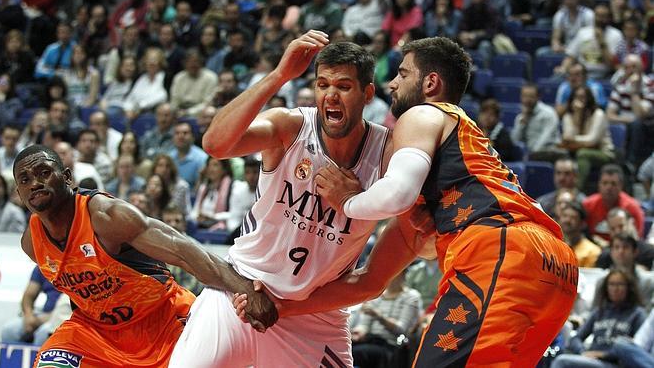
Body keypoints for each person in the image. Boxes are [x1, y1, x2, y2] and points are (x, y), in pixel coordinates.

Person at [247, 36, 578, 366]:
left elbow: (397, 192)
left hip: (503, 252)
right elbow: (381, 273)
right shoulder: (460, 145)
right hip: (555, 266)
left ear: (430, 82)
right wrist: (286, 306)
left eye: (403, 74)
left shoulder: (424, 114)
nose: (392, 83)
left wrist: (347, 199)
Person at [169, 32, 392, 367]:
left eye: (343, 86)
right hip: (240, 288)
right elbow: (216, 144)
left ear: (368, 93)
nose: (330, 95)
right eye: (322, 84)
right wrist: (279, 76)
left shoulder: (386, 154)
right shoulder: (291, 126)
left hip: (313, 315)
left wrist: (357, 199)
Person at [12, 144, 276, 367]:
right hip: (96, 332)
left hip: (161, 321)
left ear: (67, 177)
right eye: (25, 180)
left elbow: (182, 251)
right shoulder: (31, 244)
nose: (35, 183)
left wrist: (246, 289)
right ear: (19, 193)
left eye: (44, 173)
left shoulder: (106, 216)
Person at [551, 269, 646, 368]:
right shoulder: (599, 311)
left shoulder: (637, 314)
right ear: (606, 288)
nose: (615, 289)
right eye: (611, 284)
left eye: (620, 284)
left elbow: (639, 349)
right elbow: (576, 338)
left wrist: (604, 355)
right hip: (592, 360)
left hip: (617, 363)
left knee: (562, 361)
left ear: (629, 288)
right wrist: (583, 351)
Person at [0, 266, 62, 345]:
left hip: (65, 317)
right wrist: (29, 315)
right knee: (9, 331)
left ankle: (38, 357)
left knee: (43, 333)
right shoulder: (44, 265)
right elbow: (28, 296)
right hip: (43, 315)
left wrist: (45, 319)